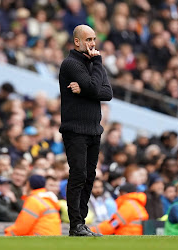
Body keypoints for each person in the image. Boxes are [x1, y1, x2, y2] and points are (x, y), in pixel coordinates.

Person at [59, 24, 112, 237]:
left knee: (90, 176)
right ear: (77, 42)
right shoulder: (71, 64)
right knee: (79, 174)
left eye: (94, 40)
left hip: (93, 129)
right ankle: (75, 224)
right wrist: (91, 85)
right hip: (75, 129)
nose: (92, 44)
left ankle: (81, 223)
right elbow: (94, 88)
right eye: (88, 40)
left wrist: (87, 89)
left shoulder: (94, 65)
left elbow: (107, 93)